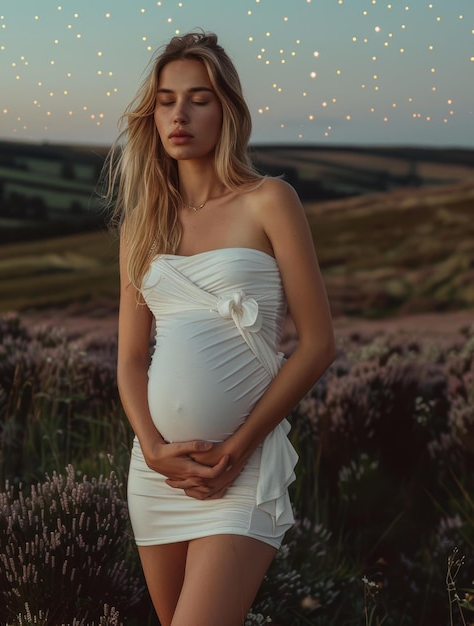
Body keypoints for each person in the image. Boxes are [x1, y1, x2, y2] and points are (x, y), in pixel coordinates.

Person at [104, 31, 335, 626]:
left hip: (241, 468)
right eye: (166, 99)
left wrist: (238, 447)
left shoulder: (269, 201)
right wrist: (154, 451)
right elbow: (130, 359)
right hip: (158, 476)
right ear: (152, 113)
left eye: (199, 98)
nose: (179, 114)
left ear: (227, 110)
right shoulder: (142, 225)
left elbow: (317, 344)